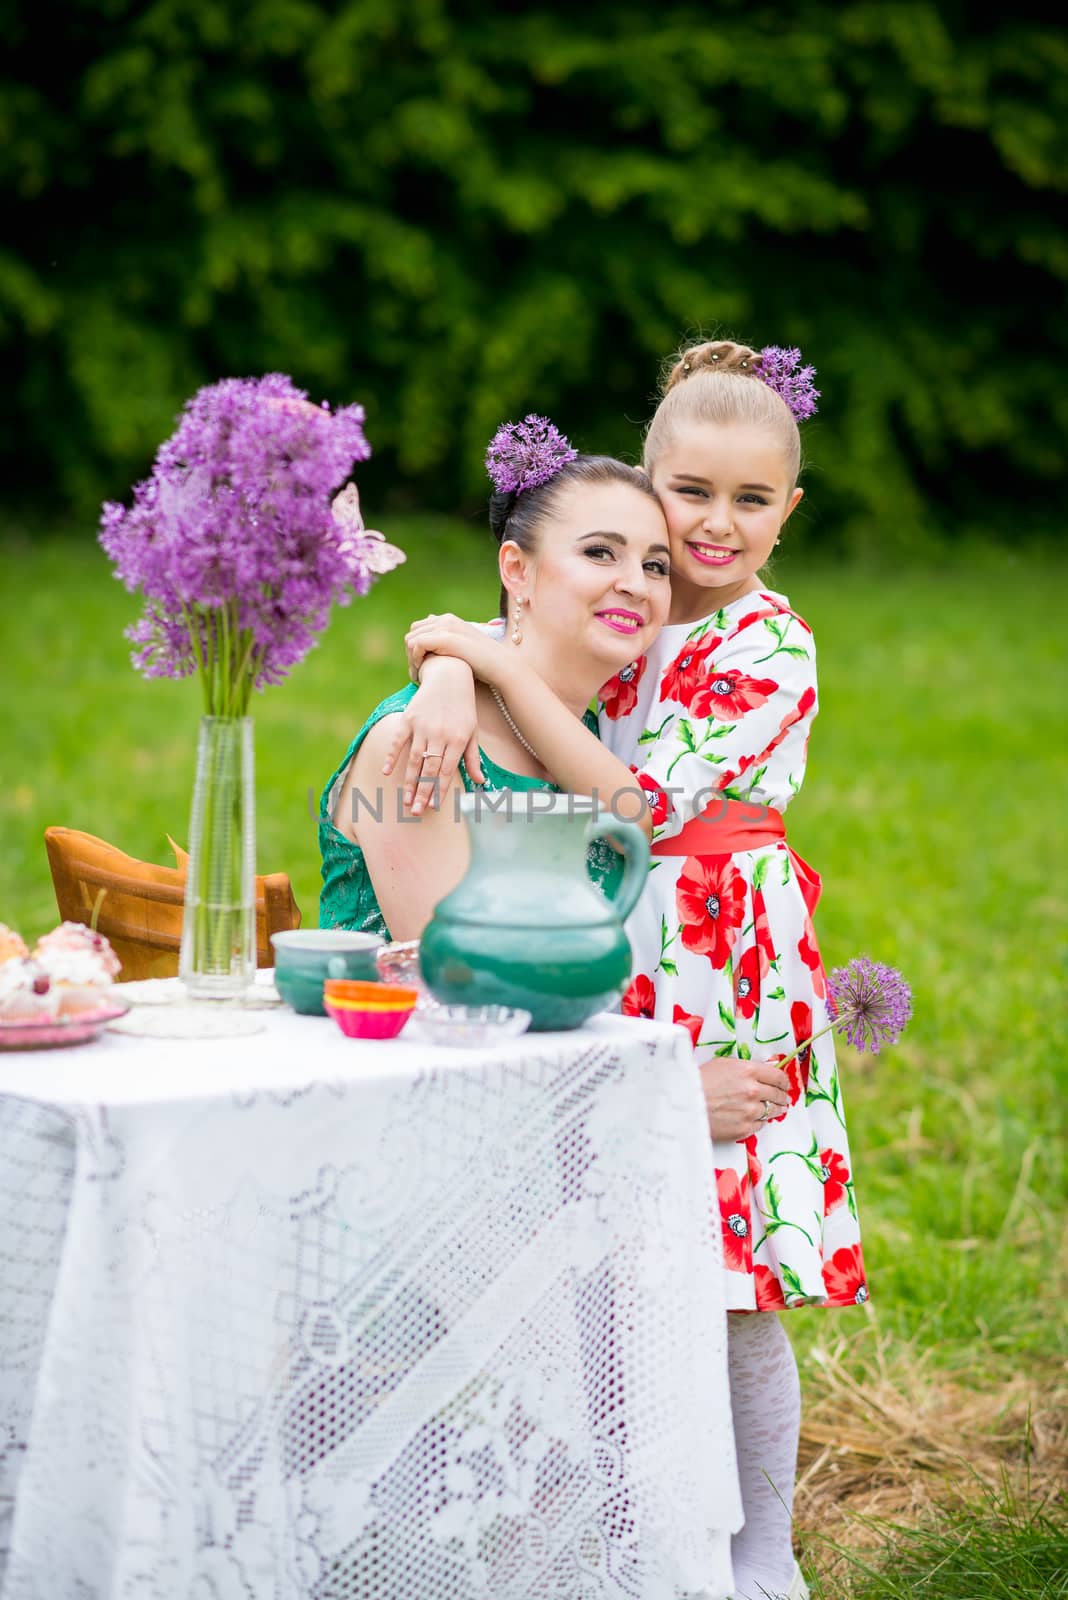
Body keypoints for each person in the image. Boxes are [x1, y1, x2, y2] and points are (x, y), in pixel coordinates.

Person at [398, 340, 867, 1600]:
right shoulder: (636, 621)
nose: (717, 524)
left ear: (789, 511)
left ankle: (758, 1552)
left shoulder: (772, 646)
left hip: (727, 956)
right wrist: (460, 660)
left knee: (728, 1284)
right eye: (691, 495)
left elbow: (644, 801)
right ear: (649, 487)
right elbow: (520, 637)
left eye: (752, 499)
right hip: (618, 934)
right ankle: (635, 1526)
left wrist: (478, 658)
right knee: (621, 1262)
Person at [319, 433, 671, 939]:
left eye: (655, 566)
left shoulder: (604, 736)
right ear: (517, 569)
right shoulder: (426, 738)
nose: (636, 584)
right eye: (600, 552)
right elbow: (454, 970)